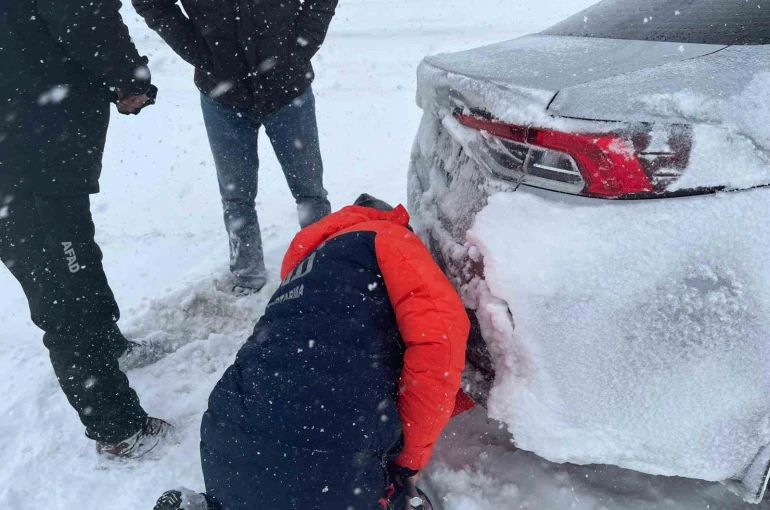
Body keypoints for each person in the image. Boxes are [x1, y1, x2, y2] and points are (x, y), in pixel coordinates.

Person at [152, 194, 470, 510]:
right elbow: (438, 347)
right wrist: (408, 460)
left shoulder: (303, 270)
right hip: (327, 460)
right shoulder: (390, 238)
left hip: (226, 440)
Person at [0, 0, 172, 457]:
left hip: (31, 149)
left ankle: (110, 346)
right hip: (27, 158)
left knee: (76, 258)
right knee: (62, 290)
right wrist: (130, 81)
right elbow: (85, 18)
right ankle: (118, 431)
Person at [132, 0, 338, 295]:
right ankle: (247, 279)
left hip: (288, 87)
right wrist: (201, 52)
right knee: (236, 197)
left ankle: (321, 270)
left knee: (310, 192)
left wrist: (300, 46)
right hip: (223, 96)